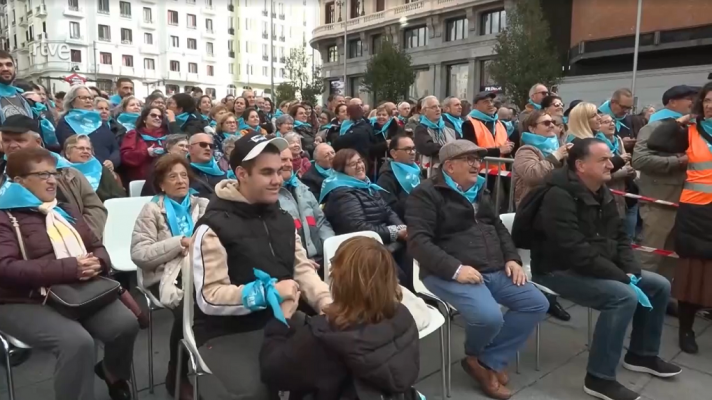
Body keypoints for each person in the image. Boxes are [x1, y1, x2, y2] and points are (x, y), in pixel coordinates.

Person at [525, 138, 681, 400]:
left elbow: (620, 236)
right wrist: (620, 276)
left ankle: (642, 354)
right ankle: (599, 378)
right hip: (556, 270)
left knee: (658, 285)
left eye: (609, 158)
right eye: (603, 160)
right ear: (581, 165)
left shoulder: (600, 190)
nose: (612, 163)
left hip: (594, 265)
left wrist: (631, 268)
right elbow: (573, 250)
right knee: (623, 296)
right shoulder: (557, 196)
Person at [190, 132, 332, 398]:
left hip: (282, 318)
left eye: (279, 171)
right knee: (258, 390)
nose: (278, 180)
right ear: (242, 174)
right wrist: (268, 293)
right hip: (226, 332)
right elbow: (210, 297)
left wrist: (326, 303)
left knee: (335, 361)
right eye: (267, 172)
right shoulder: (212, 227)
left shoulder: (283, 219)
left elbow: (302, 269)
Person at [406, 139, 547, 399]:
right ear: (449, 166)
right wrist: (456, 269)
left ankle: (484, 361)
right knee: (489, 316)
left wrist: (512, 258)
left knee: (536, 303)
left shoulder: (479, 190)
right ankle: (484, 360)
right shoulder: (425, 194)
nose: (476, 165)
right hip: (445, 272)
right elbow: (418, 243)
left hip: (493, 267)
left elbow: (498, 229)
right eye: (469, 160)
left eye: (478, 159)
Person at [0, 147, 139, 400]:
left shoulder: (64, 209)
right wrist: (71, 268)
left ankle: (110, 372)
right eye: (43, 175)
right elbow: (5, 268)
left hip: (74, 289)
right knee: (77, 343)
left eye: (53, 174)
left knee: (126, 324)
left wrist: (98, 262)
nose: (52, 180)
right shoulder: (4, 216)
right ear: (19, 181)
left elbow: (96, 245)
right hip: (23, 299)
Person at [259, 236, 420, 400]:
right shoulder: (402, 316)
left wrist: (281, 319)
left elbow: (272, 371)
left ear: (339, 281)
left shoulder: (323, 336)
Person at [131, 154, 208, 400]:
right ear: (161, 184)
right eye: (172, 176)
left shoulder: (202, 205)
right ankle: (177, 371)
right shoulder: (152, 209)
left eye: (184, 175)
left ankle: (210, 358)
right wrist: (178, 244)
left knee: (213, 300)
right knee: (188, 308)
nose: (180, 180)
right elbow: (140, 254)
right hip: (163, 276)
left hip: (200, 270)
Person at [644, 82, 712, 354]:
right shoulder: (692, 131)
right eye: (706, 100)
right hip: (696, 213)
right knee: (692, 276)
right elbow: (656, 142)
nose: (709, 105)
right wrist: (682, 121)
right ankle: (686, 329)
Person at [632, 85, 697, 289]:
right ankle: (639, 295)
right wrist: (678, 161)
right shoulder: (654, 127)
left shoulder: (694, 128)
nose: (694, 103)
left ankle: (662, 296)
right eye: (689, 99)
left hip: (685, 202)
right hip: (659, 203)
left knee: (671, 257)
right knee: (650, 257)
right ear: (672, 102)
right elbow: (640, 160)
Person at [0, 115, 107, 238]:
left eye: (20, 140)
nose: (12, 145)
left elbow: (95, 208)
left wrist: (79, 236)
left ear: (38, 142)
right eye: (7, 140)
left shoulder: (68, 173)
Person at [278, 148, 334, 277]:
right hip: (294, 267)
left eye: (290, 160)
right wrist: (300, 261)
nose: (288, 164)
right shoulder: (268, 194)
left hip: (319, 259)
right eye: (283, 160)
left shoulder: (302, 188)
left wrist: (331, 250)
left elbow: (321, 221)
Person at [512, 110, 570, 207]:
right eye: (546, 123)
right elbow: (533, 175)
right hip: (534, 206)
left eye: (553, 122)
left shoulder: (558, 146)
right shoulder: (526, 150)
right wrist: (556, 156)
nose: (551, 125)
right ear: (532, 129)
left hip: (557, 202)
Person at [56, 85, 120, 169]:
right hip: (82, 171)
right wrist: (102, 165)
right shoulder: (66, 122)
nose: (88, 101)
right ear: (72, 101)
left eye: (90, 98)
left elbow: (115, 148)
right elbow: (73, 150)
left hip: (107, 170)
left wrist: (112, 161)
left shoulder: (100, 122)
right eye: (83, 98)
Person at [597, 114, 638, 238]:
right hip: (611, 194)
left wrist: (631, 171)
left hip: (627, 193)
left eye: (612, 121)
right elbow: (599, 174)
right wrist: (622, 172)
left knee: (628, 234)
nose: (611, 124)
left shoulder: (617, 140)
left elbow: (626, 162)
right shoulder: (597, 144)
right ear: (598, 126)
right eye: (606, 122)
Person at [63, 134, 126, 202]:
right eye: (81, 148)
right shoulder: (62, 173)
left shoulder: (102, 171)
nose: (86, 151)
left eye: (88, 149)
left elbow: (120, 197)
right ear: (68, 153)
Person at [120, 107, 169, 183]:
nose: (157, 118)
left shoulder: (167, 136)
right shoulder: (134, 134)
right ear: (144, 119)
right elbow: (125, 157)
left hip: (165, 178)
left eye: (160, 117)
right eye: (153, 115)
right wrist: (146, 153)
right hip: (142, 179)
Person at [377, 134, 420, 220]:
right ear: (394, 153)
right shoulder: (387, 177)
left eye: (413, 148)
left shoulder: (417, 171)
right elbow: (389, 208)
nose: (412, 152)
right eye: (407, 149)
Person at [414, 96, 459, 176]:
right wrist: (449, 149)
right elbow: (427, 147)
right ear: (425, 111)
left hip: (452, 170)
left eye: (439, 106)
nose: (438, 109)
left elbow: (459, 143)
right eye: (433, 107)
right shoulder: (421, 128)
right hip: (430, 173)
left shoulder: (448, 125)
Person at [598, 89, 645, 153]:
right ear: (612, 102)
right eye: (623, 107)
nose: (626, 111)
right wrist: (619, 143)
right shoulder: (596, 118)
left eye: (629, 108)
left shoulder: (633, 120)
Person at [186, 133, 226, 198]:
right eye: (203, 145)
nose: (208, 148)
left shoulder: (223, 170)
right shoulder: (183, 172)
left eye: (211, 146)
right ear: (190, 148)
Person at [0, 50, 34, 122]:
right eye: (0, 65)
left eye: (9, 64)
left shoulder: (25, 101)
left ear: (15, 69)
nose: (5, 69)